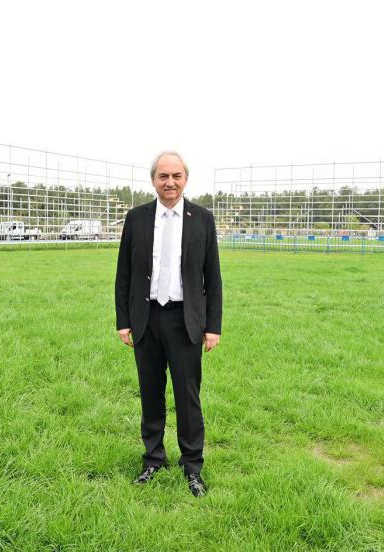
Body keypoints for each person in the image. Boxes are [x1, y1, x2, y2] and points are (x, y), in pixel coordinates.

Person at [114, 151, 222, 497]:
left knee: (188, 397)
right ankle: (153, 459)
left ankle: (192, 467)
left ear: (185, 180)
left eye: (176, 176)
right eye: (163, 176)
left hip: (185, 321)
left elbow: (213, 277)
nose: (170, 182)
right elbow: (124, 273)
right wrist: (123, 321)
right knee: (150, 393)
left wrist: (213, 326)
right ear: (153, 180)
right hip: (146, 319)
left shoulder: (202, 219)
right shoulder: (137, 219)